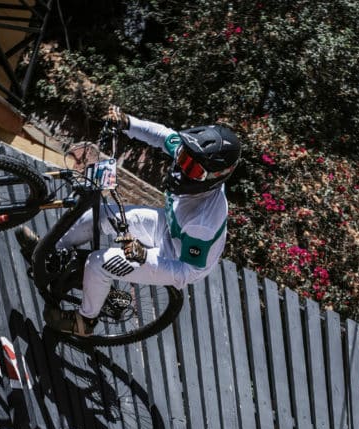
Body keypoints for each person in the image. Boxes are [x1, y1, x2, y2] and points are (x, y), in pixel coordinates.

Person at [17, 107, 240, 336]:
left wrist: (144, 257)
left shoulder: (203, 222)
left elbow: (187, 272)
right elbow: (163, 135)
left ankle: (85, 321)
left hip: (174, 258)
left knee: (97, 263)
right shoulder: (193, 157)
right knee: (99, 215)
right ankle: (50, 254)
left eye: (190, 168)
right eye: (182, 157)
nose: (180, 168)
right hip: (168, 226)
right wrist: (127, 122)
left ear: (213, 178)